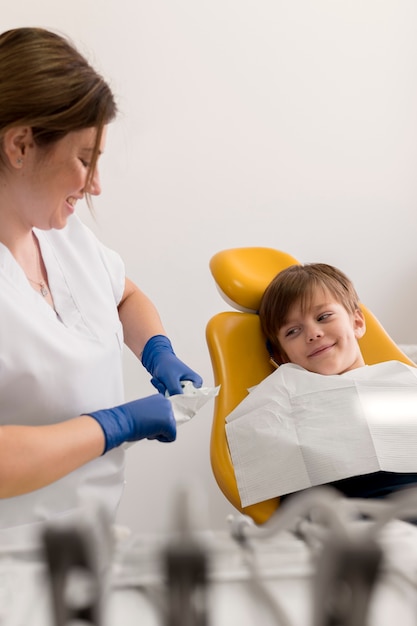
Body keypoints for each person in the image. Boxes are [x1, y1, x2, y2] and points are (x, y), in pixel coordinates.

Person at [0, 27, 202, 548]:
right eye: (85, 159)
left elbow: (123, 295)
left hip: (87, 540)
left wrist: (157, 352)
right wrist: (113, 425)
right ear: (20, 144)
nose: (95, 185)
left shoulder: (63, 237)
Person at [226, 263, 417, 505]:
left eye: (323, 317)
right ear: (282, 356)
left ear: (357, 322)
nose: (313, 333)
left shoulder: (402, 380)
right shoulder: (279, 398)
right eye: (293, 331)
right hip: (349, 519)